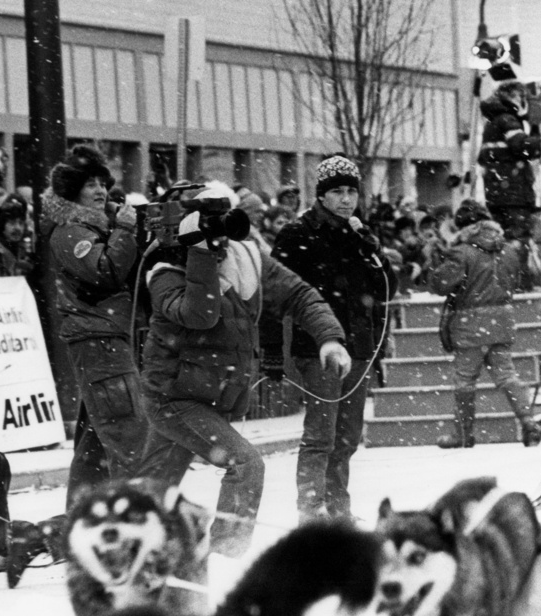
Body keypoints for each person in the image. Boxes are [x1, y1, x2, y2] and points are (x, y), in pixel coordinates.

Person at [135, 185, 352, 558]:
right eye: (209, 219)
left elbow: (298, 294)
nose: (221, 233)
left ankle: (104, 548)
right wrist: (199, 251)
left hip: (209, 395)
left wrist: (329, 337)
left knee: (146, 494)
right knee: (246, 464)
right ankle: (225, 556)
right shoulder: (163, 271)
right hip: (174, 397)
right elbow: (200, 313)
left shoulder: (247, 256)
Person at [262, 155, 396, 522]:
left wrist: (375, 251)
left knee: (348, 436)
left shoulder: (357, 234)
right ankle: (310, 510)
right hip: (317, 347)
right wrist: (272, 348)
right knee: (321, 434)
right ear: (321, 195)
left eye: (351, 191)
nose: (345, 199)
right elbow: (273, 293)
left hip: (359, 345)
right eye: (337, 191)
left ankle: (338, 509)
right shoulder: (298, 234)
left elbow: (385, 288)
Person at [43, 145, 150, 507]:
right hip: (99, 340)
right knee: (131, 437)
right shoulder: (71, 231)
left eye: (103, 183)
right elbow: (105, 271)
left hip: (104, 339)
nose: (101, 190)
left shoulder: (96, 227)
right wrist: (124, 231)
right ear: (73, 191)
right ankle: (128, 526)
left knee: (95, 444)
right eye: (90, 184)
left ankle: (78, 522)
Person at [427, 199, 541, 449]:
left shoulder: (462, 252)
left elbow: (439, 285)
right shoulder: (508, 250)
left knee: (465, 380)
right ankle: (528, 423)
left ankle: (463, 433)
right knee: (507, 375)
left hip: (470, 324)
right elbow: (516, 280)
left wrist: (437, 262)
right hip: (502, 321)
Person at [478, 81, 541, 247]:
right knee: (518, 243)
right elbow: (525, 148)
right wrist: (535, 129)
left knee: (502, 243)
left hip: (497, 196)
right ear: (512, 96)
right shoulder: (507, 120)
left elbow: (484, 159)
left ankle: (506, 271)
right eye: (521, 96)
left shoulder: (491, 124)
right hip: (515, 197)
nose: (522, 101)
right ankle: (517, 272)